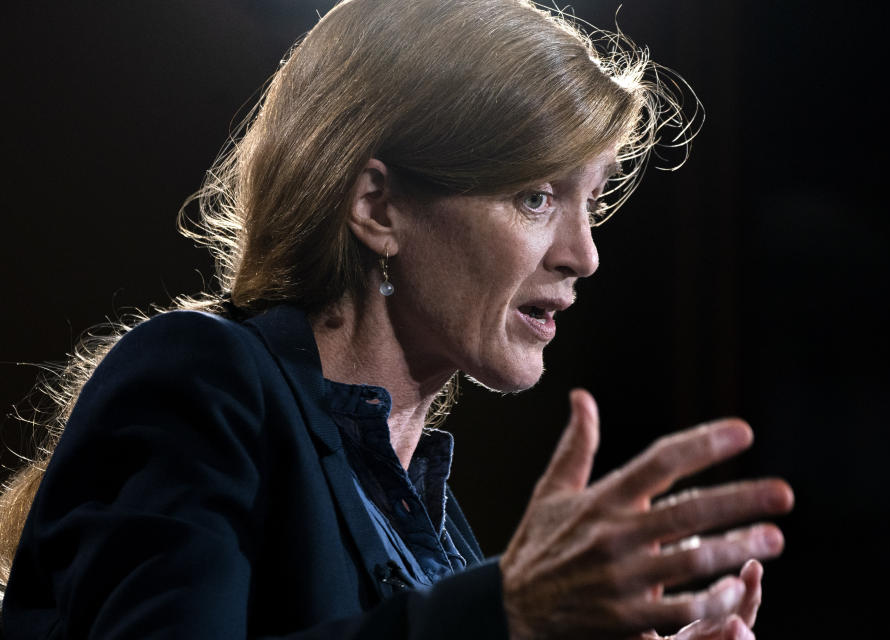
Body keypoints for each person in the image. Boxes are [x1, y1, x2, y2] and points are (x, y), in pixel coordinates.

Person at [0, 0, 794, 638]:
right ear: (378, 206)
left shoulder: (440, 539)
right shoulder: (202, 379)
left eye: (591, 200)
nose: (583, 255)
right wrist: (507, 613)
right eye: (536, 197)